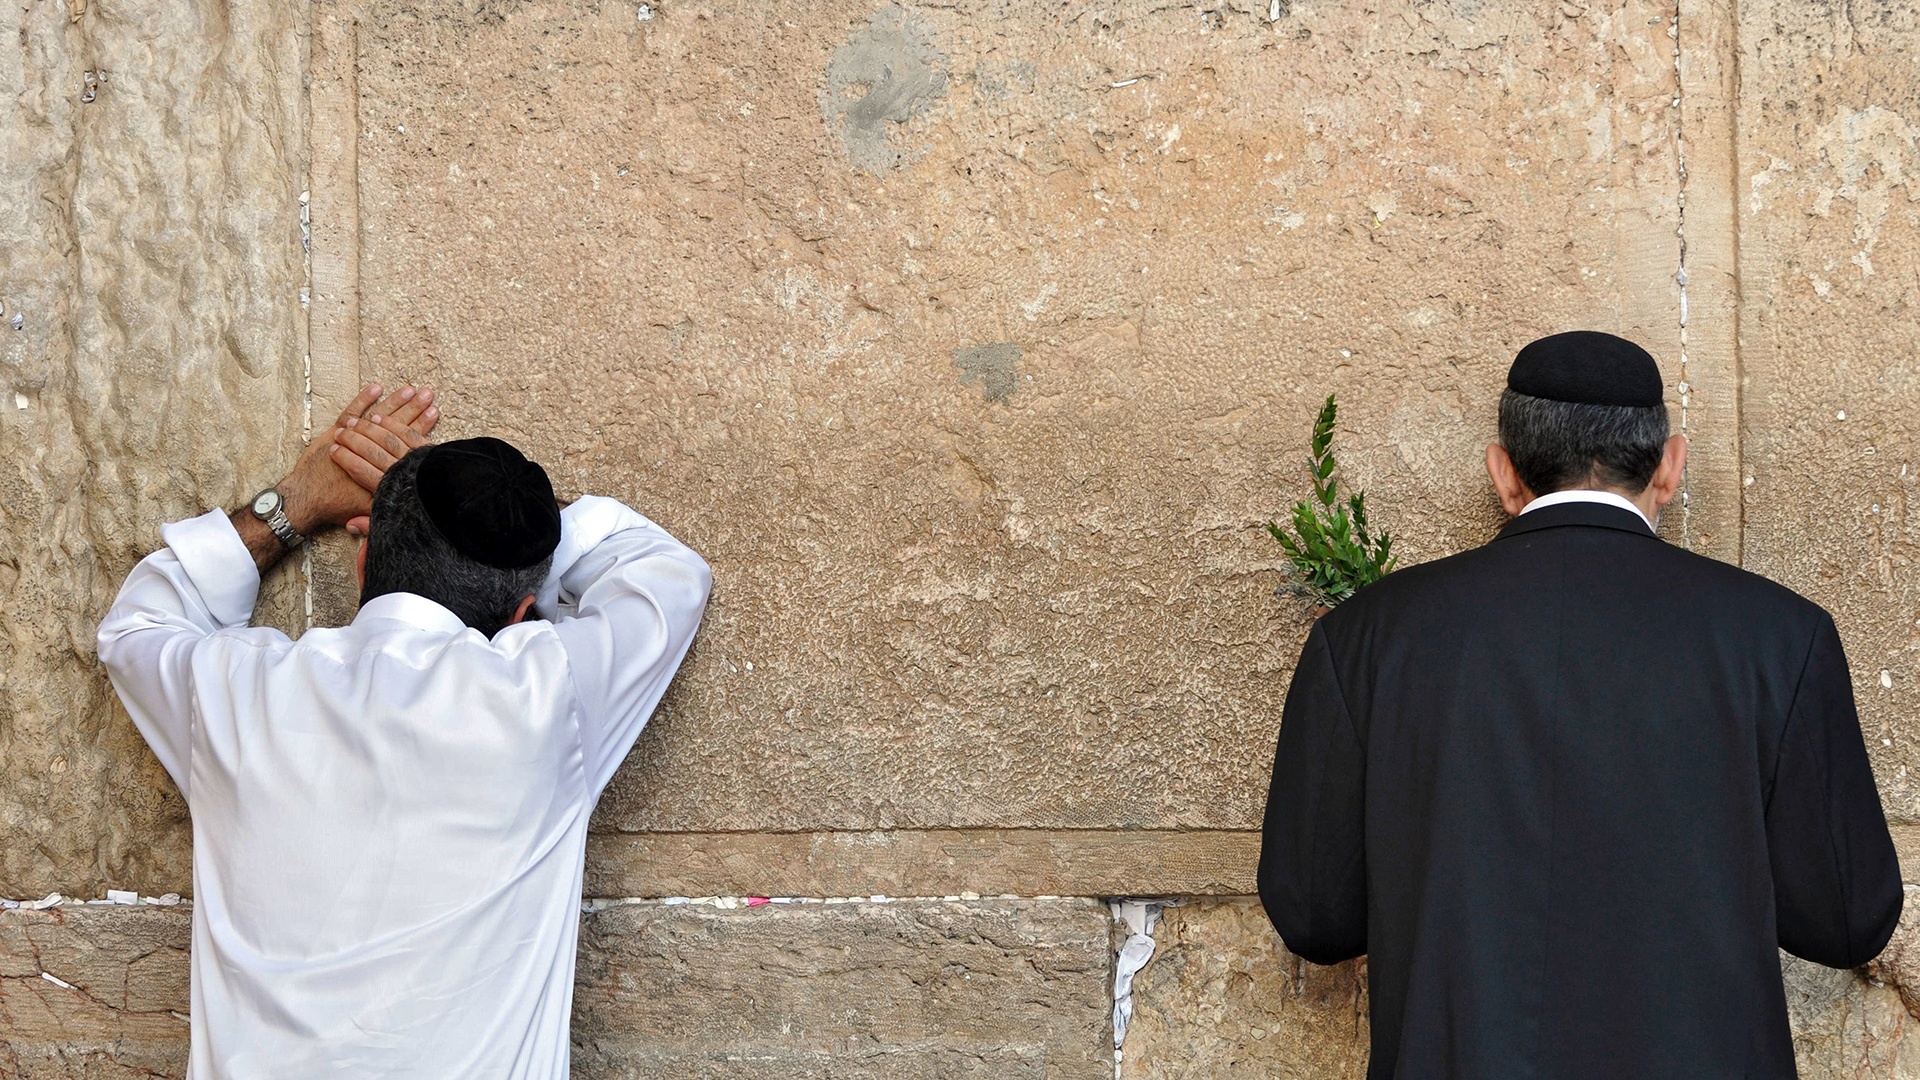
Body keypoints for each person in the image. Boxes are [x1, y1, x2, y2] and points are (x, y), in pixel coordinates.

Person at [1257, 332, 1902, 1078]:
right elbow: (1849, 920)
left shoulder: (1366, 637)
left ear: (1504, 473)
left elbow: (1314, 915)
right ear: (1669, 467)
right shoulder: (1781, 638)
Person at [96, 384, 711, 1078]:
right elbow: (666, 572)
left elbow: (136, 628)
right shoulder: (547, 699)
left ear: (364, 556)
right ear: (524, 612)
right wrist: (496, 510)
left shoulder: (242, 695)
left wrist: (294, 502)